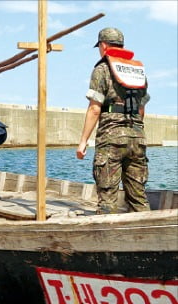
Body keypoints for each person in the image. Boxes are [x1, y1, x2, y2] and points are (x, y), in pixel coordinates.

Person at [76, 27, 150, 214]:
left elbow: (94, 109)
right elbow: (141, 109)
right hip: (137, 137)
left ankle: (106, 241)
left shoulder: (102, 69)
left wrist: (83, 141)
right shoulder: (137, 71)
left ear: (103, 45)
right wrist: (133, 133)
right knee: (139, 197)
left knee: (108, 198)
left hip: (111, 138)